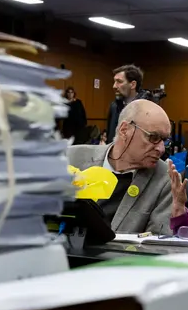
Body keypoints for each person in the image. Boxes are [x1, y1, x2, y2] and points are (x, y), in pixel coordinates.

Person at [68, 99, 172, 234]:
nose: (161, 148)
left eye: (164, 140)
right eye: (153, 137)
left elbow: (157, 247)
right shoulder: (71, 158)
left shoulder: (165, 180)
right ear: (124, 130)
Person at [105, 65, 143, 138]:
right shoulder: (114, 106)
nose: (114, 86)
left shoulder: (145, 108)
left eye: (119, 82)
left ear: (133, 85)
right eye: (114, 81)